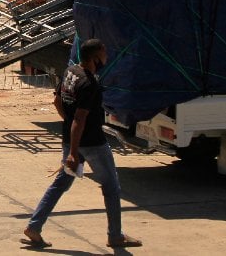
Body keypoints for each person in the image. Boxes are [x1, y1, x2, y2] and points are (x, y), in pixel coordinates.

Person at [23, 39, 142, 249]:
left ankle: (34, 226)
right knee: (111, 187)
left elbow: (57, 102)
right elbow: (80, 119)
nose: (106, 58)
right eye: (104, 54)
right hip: (92, 143)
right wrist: (74, 153)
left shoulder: (70, 72)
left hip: (71, 141)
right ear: (95, 58)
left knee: (60, 184)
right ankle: (115, 235)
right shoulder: (90, 84)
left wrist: (70, 137)